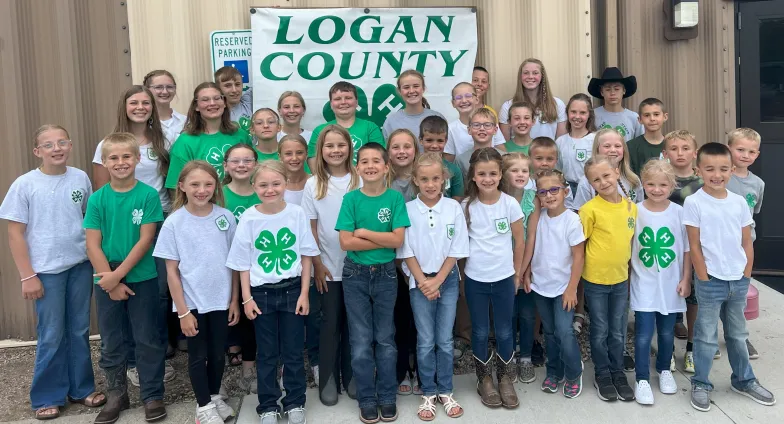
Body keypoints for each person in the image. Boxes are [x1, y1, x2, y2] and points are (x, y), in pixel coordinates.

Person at [0, 125, 104, 420]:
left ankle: (81, 388)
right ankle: (47, 395)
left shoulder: (80, 178)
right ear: (38, 152)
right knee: (51, 333)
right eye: (48, 145)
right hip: (46, 271)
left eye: (62, 142)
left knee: (80, 329)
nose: (56, 148)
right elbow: (15, 234)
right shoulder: (25, 184)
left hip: (79, 265)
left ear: (70, 146)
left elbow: (87, 219)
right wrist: (27, 275)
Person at [91, 86, 176, 385]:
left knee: (158, 292)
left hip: (160, 218)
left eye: (145, 103)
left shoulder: (162, 141)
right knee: (123, 292)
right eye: (134, 103)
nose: (140, 107)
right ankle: (128, 361)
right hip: (124, 224)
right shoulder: (109, 143)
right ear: (124, 107)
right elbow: (103, 190)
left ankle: (154, 355)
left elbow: (171, 180)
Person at [684, 142, 776, 412]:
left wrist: (746, 274)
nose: (717, 174)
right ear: (698, 169)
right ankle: (701, 382)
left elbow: (747, 242)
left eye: (724, 169)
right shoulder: (694, 201)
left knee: (737, 335)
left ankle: (744, 380)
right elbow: (695, 245)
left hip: (738, 280)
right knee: (705, 337)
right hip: (710, 280)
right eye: (710, 168)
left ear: (732, 170)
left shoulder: (738, 203)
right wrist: (703, 276)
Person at [226, 160, 319, 424]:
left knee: (292, 351)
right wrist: (246, 298)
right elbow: (242, 262)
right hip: (261, 294)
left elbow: (306, 255)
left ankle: (295, 402)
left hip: (292, 291)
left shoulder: (296, 213)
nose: (270, 190)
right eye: (264, 184)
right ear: (254, 185)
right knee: (266, 353)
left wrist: (304, 293)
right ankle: (267, 405)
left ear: (286, 185)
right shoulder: (249, 218)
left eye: (276, 184)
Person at [84, 133, 167, 423]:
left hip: (141, 274)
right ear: (104, 162)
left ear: (137, 159)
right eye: (114, 158)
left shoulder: (147, 195)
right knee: (111, 340)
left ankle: (153, 394)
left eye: (126, 156)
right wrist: (110, 279)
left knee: (147, 337)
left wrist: (119, 277)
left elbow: (146, 240)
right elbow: (93, 243)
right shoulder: (98, 199)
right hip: (105, 274)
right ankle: (117, 393)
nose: (121, 163)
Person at [152, 161, 239, 424]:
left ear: (216, 186)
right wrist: (183, 311)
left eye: (208, 184)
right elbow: (171, 272)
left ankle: (213, 397)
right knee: (198, 355)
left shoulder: (226, 217)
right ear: (182, 186)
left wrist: (234, 299)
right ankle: (202, 407)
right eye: (195, 184)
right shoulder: (174, 223)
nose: (202, 190)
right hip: (192, 304)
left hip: (221, 302)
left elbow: (235, 263)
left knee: (217, 353)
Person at [336, 143, 410, 423]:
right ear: (357, 168)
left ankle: (387, 395)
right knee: (361, 340)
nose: (370, 166)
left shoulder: (394, 199)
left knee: (385, 338)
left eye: (376, 161)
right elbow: (345, 242)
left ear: (386, 166)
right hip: (355, 275)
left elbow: (397, 240)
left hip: (386, 275)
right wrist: (382, 237)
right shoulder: (351, 200)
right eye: (364, 161)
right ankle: (367, 397)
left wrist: (364, 232)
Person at [398, 152, 468, 420]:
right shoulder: (407, 210)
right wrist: (424, 281)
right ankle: (428, 392)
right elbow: (406, 250)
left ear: (444, 180)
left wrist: (438, 280)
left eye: (436, 179)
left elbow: (457, 247)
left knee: (445, 339)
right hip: (419, 281)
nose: (430, 184)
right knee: (425, 340)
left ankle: (446, 390)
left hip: (446, 280)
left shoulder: (452, 209)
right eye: (424, 179)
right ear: (415, 180)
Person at [301, 125, 360, 406]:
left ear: (350, 148)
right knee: (329, 323)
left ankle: (352, 376)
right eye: (329, 146)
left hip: (358, 266)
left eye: (341, 145)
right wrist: (317, 264)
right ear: (320, 151)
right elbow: (310, 228)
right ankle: (328, 380)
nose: (335, 150)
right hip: (327, 267)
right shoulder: (313, 184)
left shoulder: (359, 179)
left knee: (354, 323)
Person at [463, 148, 524, 409]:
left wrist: (518, 272)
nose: (487, 179)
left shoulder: (509, 204)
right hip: (475, 279)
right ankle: (484, 378)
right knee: (478, 330)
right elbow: (460, 244)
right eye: (482, 174)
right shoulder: (466, 206)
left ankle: (505, 378)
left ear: (501, 175)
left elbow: (519, 241)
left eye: (493, 174)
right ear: (474, 176)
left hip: (503, 278)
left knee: (504, 329)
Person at [630, 160, 690, 405]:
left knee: (667, 333)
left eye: (663, 184)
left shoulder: (679, 212)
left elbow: (686, 249)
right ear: (643, 184)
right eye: (651, 184)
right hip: (643, 282)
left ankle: (664, 369)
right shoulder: (635, 210)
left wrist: (686, 279)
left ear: (672, 185)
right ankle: (642, 378)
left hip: (671, 284)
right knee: (643, 334)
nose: (656, 189)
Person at [522, 169, 585, 398]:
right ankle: (554, 372)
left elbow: (579, 256)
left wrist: (571, 289)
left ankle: (573, 371)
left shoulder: (571, 220)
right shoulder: (538, 220)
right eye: (543, 192)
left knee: (564, 331)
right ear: (538, 196)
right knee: (548, 332)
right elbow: (533, 247)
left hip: (563, 288)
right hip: (541, 285)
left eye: (554, 190)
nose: (549, 195)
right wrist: (527, 271)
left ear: (565, 191)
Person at [579, 154, 637, 402]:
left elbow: (630, 244)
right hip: (596, 280)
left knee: (618, 330)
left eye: (606, 175)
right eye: (596, 180)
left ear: (616, 172)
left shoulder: (630, 208)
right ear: (590, 184)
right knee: (600, 329)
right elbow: (579, 246)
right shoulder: (589, 209)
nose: (603, 182)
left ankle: (617, 371)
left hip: (620, 279)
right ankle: (602, 372)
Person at [221, 144, 260, 392]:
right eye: (235, 161)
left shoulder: (263, 193)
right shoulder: (218, 195)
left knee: (251, 321)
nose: (242, 165)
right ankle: (217, 378)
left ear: (256, 164)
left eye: (247, 160)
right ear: (225, 166)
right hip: (222, 268)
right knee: (221, 320)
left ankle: (249, 370)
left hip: (254, 270)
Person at [386, 129, 421, 396]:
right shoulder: (383, 183)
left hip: (423, 261)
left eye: (407, 146)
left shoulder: (424, 180)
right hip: (393, 262)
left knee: (421, 319)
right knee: (399, 318)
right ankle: (401, 370)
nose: (401, 151)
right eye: (395, 146)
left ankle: (420, 368)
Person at [661, 130, 702, 362]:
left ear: (695, 153)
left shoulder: (702, 183)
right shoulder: (660, 182)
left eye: (686, 148)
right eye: (674, 149)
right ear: (665, 153)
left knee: (694, 299)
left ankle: (692, 347)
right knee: (668, 296)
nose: (680, 153)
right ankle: (667, 350)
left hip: (694, 249)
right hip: (666, 249)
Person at [164, 82, 252, 188]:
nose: (212, 103)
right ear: (196, 106)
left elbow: (254, 173)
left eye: (217, 98)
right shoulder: (185, 142)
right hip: (203, 203)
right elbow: (175, 187)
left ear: (224, 103)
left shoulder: (241, 135)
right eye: (205, 100)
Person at [726, 128, 765, 360]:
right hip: (719, 245)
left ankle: (739, 336)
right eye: (740, 149)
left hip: (744, 247)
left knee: (739, 294)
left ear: (757, 155)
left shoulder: (758, 184)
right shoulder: (719, 178)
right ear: (729, 148)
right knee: (712, 294)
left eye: (751, 151)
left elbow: (754, 212)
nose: (745, 155)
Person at [500, 152, 537, 383]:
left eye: (524, 170)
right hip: (503, 264)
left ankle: (526, 357)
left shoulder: (532, 198)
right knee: (507, 313)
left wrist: (522, 271)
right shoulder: (498, 198)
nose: (521, 174)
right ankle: (508, 356)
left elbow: (531, 237)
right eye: (515, 170)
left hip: (526, 265)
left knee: (526, 313)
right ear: (504, 174)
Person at [307, 81, 384, 169]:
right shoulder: (320, 130)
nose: (343, 102)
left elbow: (379, 157)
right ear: (331, 104)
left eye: (348, 98)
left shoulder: (370, 128)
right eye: (337, 99)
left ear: (356, 102)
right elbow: (313, 160)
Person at [572, 128, 644, 210]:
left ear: (624, 150)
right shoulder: (586, 182)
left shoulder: (633, 180)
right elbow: (579, 212)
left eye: (617, 146)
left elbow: (639, 211)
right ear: (597, 150)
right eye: (607, 146)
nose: (613, 150)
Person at [498, 58, 567, 141]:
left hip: (549, 153)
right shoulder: (507, 106)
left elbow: (561, 142)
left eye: (535, 73)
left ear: (542, 76)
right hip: (519, 154)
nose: (530, 76)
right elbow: (505, 145)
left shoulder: (557, 104)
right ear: (520, 76)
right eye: (526, 73)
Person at [443, 83, 505, 162]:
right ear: (453, 103)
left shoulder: (490, 124)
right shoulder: (450, 129)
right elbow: (449, 162)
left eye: (468, 96)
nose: (464, 100)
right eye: (458, 97)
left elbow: (502, 153)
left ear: (476, 99)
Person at [382, 69, 445, 141]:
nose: (411, 91)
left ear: (423, 88)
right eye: (406, 87)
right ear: (399, 91)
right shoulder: (391, 121)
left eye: (416, 86)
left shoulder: (437, 118)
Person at [556, 93, 597, 195]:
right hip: (567, 190)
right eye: (573, 112)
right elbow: (557, 169)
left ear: (589, 115)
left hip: (589, 188)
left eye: (582, 113)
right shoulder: (560, 141)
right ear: (567, 113)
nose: (577, 116)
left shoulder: (596, 139)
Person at [589, 67, 643, 143]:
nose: (612, 93)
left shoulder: (634, 118)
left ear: (624, 90)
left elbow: (640, 144)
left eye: (617, 89)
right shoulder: (592, 116)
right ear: (602, 92)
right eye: (608, 89)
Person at [419, 115, 465, 202]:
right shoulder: (415, 167)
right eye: (429, 140)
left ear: (446, 141)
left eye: (440, 141)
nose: (434, 146)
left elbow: (457, 199)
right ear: (421, 140)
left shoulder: (454, 170)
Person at [454, 108, 505, 178]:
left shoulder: (504, 157)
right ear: (469, 130)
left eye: (487, 125)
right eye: (476, 125)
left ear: (495, 130)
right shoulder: (461, 160)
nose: (482, 129)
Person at [143, 70, 186, 144]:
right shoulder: (141, 123)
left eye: (169, 87)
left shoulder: (186, 122)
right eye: (159, 87)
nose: (165, 92)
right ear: (147, 90)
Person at [628, 98, 669, 175]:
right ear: (640, 119)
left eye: (656, 114)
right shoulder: (630, 147)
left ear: (665, 117)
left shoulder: (672, 145)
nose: (652, 119)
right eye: (647, 115)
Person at [215, 66, 253, 133]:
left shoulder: (247, 102)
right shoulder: (213, 112)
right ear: (218, 88)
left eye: (237, 84)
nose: (234, 90)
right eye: (228, 86)